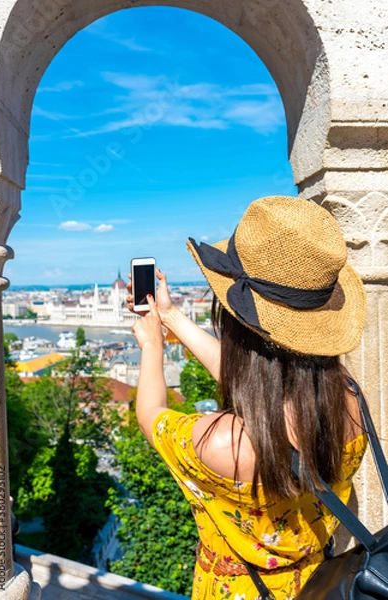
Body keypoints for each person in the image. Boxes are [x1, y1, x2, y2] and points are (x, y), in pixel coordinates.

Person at [127, 196, 368, 600]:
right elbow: (270, 389)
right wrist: (170, 317)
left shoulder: (221, 444)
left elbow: (151, 413)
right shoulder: (349, 400)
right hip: (321, 585)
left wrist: (152, 345)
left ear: (235, 327)